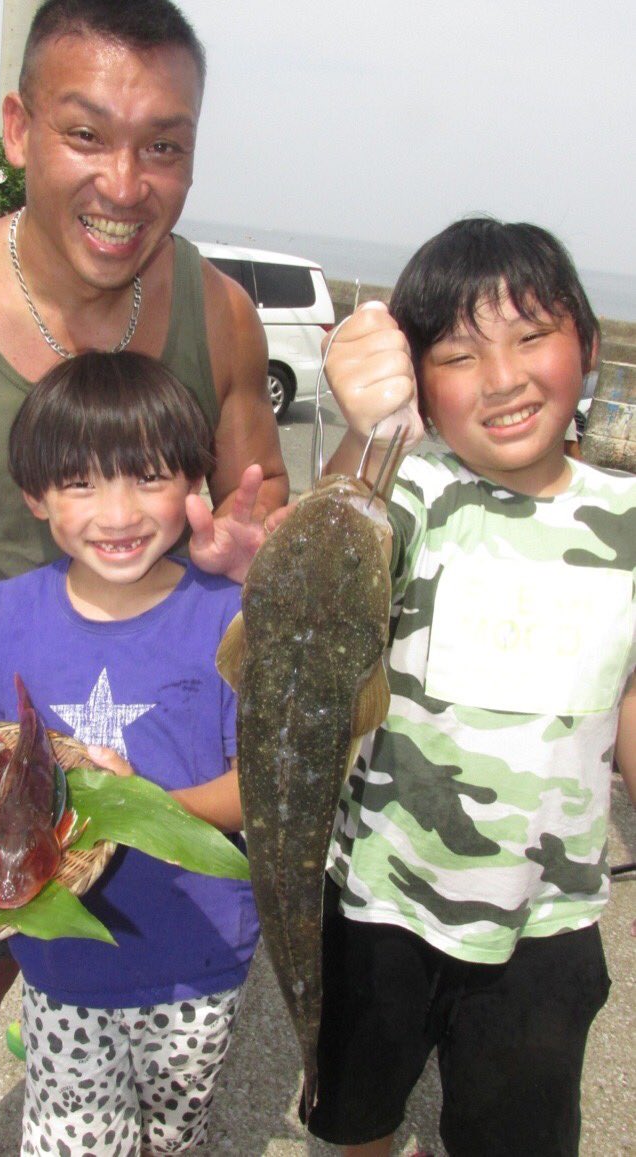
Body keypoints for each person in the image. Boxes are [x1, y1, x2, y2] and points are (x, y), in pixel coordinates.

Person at [0, 2, 286, 1151]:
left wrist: (258, 548)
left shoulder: (219, 313)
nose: (126, 184)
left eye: (164, 145)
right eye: (88, 135)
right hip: (0, 722)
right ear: (20, 126)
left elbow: (259, 511)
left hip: (168, 731)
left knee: (158, 978)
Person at [307, 217, 635, 1156]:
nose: (503, 378)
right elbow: (326, 564)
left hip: (546, 919)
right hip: (379, 901)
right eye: (457, 353)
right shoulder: (411, 491)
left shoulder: (628, 521)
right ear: (420, 380)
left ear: (589, 343)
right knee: (357, 1117)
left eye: (532, 337)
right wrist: (368, 432)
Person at [0, 349, 258, 1155]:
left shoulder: (229, 616)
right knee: (75, 1139)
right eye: (81, 482)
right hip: (65, 960)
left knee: (174, 1132)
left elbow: (261, 787)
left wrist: (141, 808)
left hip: (202, 955)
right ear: (36, 493)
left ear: (195, 483)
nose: (117, 512)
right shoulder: (14, 611)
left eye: (150, 477)